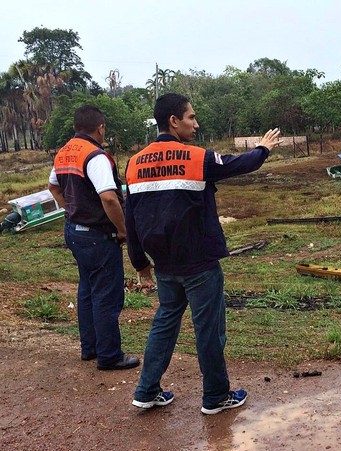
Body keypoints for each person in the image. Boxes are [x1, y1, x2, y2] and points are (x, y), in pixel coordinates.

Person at [125, 93, 281, 414]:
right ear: (173, 121)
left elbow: (131, 220)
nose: (196, 124)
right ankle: (215, 396)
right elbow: (240, 163)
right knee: (208, 329)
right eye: (191, 118)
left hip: (164, 264)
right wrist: (263, 148)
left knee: (165, 323)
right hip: (199, 264)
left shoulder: (134, 163)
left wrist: (140, 263)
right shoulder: (196, 158)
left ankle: (146, 390)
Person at [48, 104, 140, 370]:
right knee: (106, 296)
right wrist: (122, 229)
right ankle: (110, 355)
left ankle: (89, 348)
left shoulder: (64, 153)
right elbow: (109, 197)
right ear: (100, 128)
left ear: (77, 127)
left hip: (74, 232)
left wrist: (71, 208)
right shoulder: (96, 156)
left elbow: (53, 185)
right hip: (98, 237)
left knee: (87, 290)